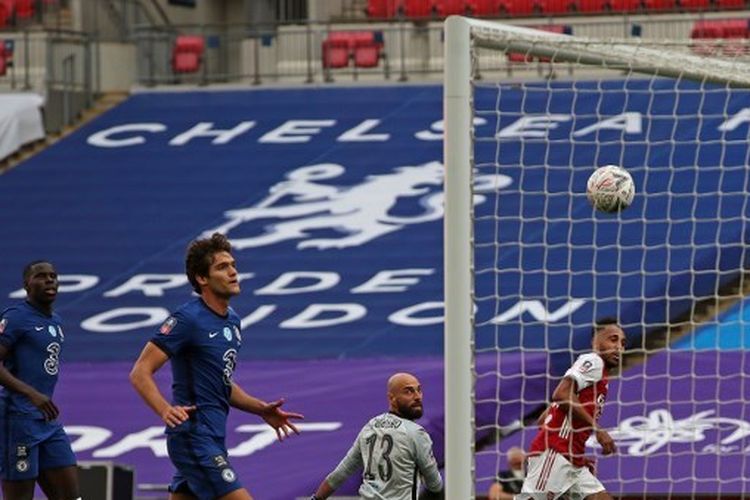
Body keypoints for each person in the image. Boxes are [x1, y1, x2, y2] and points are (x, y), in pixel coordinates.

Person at [130, 233, 303, 500]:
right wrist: (165, 409)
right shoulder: (187, 319)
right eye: (222, 267)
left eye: (233, 265)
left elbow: (220, 380)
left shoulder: (232, 321)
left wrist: (260, 409)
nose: (233, 272)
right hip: (193, 437)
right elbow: (140, 371)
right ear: (202, 278)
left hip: (213, 437)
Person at [517, 318, 626, 500]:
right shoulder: (594, 361)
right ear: (595, 341)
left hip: (572, 460)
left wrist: (574, 451)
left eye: (623, 343)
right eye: (613, 339)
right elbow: (561, 393)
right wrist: (598, 430)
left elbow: (543, 419)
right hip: (555, 454)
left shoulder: (598, 379)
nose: (619, 347)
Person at [0, 261, 80, 500]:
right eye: (41, 276)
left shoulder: (55, 320)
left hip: (47, 421)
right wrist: (31, 393)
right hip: (18, 420)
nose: (49, 280)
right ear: (27, 284)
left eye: (53, 276)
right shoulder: (16, 317)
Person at [311, 372, 443, 500]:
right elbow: (435, 484)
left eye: (419, 390)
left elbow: (341, 472)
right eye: (408, 391)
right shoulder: (416, 433)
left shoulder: (370, 426)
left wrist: (316, 499)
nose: (417, 396)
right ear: (391, 398)